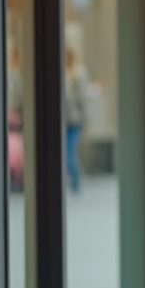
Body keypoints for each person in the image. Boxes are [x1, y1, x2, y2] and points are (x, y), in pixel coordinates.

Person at [64, 47, 93, 193]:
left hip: (75, 120)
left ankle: (76, 182)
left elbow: (83, 98)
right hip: (64, 120)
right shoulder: (63, 72)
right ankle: (73, 181)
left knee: (69, 153)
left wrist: (84, 119)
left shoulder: (79, 73)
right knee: (65, 153)